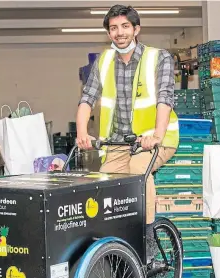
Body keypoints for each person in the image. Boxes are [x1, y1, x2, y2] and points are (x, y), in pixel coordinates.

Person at [75, 5, 179, 261]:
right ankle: (117, 243)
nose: (119, 32)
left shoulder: (159, 57)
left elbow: (165, 98)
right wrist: (81, 133)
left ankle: (147, 237)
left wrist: (156, 134)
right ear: (108, 33)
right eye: (113, 28)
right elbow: (87, 98)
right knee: (105, 185)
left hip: (156, 139)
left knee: (137, 172)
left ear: (136, 29)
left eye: (124, 26)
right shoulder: (105, 61)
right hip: (119, 142)